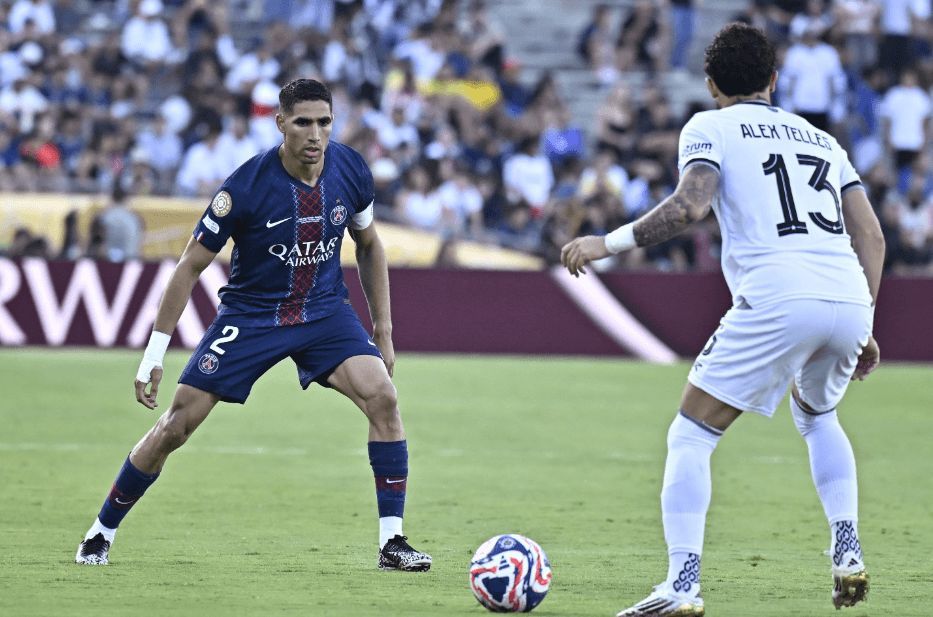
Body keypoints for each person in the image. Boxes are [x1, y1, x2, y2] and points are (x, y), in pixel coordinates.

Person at [561, 23, 884, 616]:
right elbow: (871, 233)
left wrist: (605, 243)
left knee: (692, 432)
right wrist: (864, 318)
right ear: (774, 80)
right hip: (847, 293)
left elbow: (690, 204)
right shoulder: (822, 139)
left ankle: (681, 586)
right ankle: (847, 548)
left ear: (711, 84)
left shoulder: (709, 125)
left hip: (779, 294)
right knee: (817, 417)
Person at [75, 79, 432, 573]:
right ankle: (100, 532)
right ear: (280, 122)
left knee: (385, 398)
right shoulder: (244, 187)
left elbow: (369, 246)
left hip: (324, 311)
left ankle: (392, 543)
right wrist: (153, 355)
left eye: (324, 122)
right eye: (303, 122)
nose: (315, 134)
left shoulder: (351, 169)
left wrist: (384, 331)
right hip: (253, 315)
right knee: (177, 425)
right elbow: (188, 267)